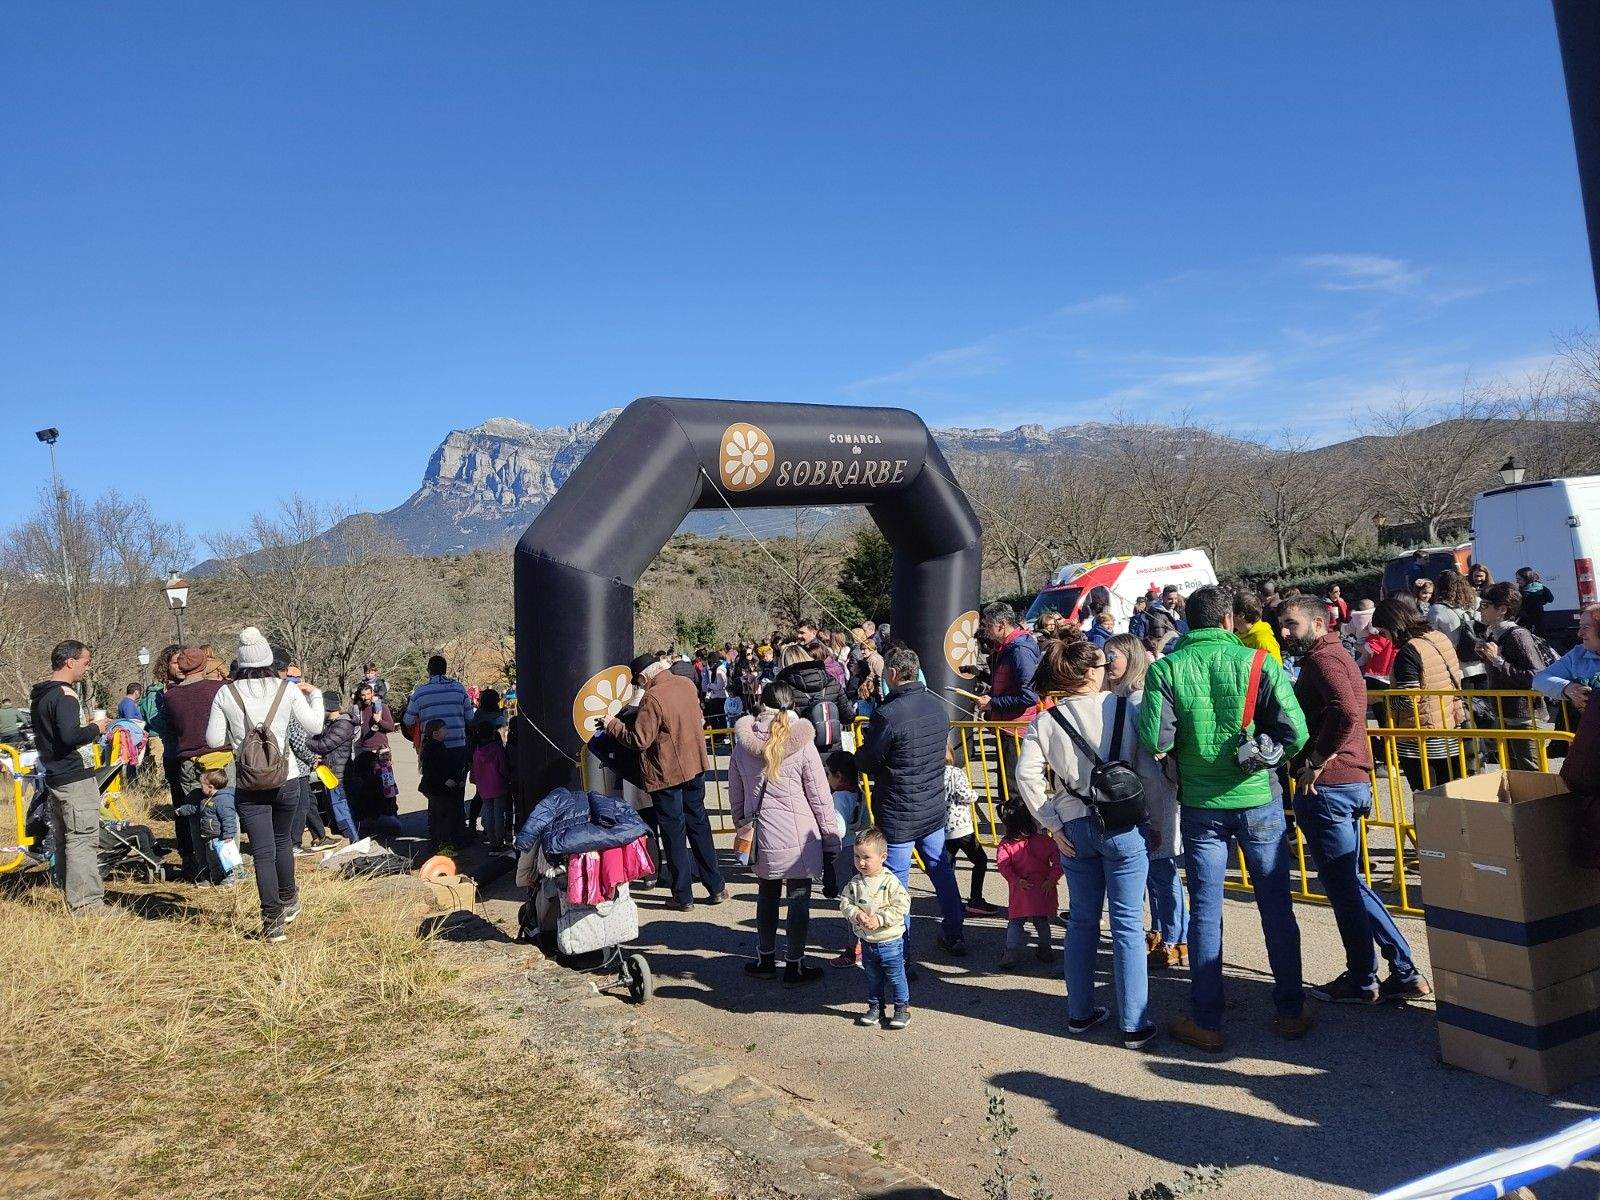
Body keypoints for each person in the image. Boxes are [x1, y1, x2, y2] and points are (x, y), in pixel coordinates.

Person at [1138, 585, 1311, 1052]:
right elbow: (1296, 731)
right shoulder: (1260, 663)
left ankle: (1207, 1019)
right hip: (1260, 800)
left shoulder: (1166, 669)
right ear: (1230, 619)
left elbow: (1156, 735)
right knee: (1275, 905)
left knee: (1206, 911)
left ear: (1187, 622)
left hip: (1201, 806)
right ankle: (1291, 1011)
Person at [1277, 595, 1430, 1005]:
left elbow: (1346, 711)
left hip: (1330, 787)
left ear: (1319, 623)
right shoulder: (1331, 656)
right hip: (1345, 784)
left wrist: (1315, 759)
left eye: (1292, 624)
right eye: (1282, 624)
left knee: (1345, 886)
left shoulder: (1326, 659)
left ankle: (1371, 976)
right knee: (1350, 882)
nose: (1284, 631)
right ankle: (1397, 970)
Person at [1015, 631, 1157, 1049]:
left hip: (1074, 826)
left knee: (1081, 920)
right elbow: (1146, 767)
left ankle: (1080, 1011)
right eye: (1102, 664)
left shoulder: (1045, 720)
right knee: (1128, 924)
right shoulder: (1124, 707)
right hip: (1123, 824)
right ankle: (1134, 1023)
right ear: (1090, 672)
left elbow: (1026, 775)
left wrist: (1052, 824)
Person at [206, 627, 324, 941]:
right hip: (286, 779)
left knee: (262, 852)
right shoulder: (286, 689)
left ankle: (272, 923)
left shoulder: (226, 693)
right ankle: (289, 899)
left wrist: (238, 739)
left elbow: (213, 739)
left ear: (241, 661)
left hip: (248, 783)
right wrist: (315, 695)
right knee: (283, 841)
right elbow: (315, 726)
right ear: (269, 658)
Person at [855, 645, 967, 960]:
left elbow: (871, 762)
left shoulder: (887, 715)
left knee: (897, 885)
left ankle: (901, 952)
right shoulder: (936, 706)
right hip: (931, 807)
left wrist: (861, 748)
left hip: (899, 813)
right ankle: (955, 930)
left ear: (891, 674)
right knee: (940, 868)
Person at [729, 681, 839, 985]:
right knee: (799, 898)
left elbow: (736, 796)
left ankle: (765, 958)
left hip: (761, 831)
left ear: (761, 705)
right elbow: (819, 796)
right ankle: (795, 963)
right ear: (793, 705)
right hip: (799, 835)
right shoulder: (802, 742)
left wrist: (742, 823)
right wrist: (830, 838)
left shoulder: (742, 745)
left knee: (766, 894)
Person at [605, 652, 727, 910]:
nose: (640, 687)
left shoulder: (652, 697)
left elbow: (639, 739)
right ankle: (716, 886)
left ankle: (683, 896)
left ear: (642, 677)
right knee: (699, 825)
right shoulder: (686, 684)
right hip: (695, 766)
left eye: (638, 682)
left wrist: (612, 724)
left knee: (674, 833)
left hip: (666, 773)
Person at [1103, 635, 1186, 971]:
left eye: (1114, 656)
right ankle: (1161, 929)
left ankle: (1177, 937)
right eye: (1107, 656)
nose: (1109, 663)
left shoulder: (1138, 699)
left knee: (1161, 866)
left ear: (1132, 659)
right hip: (1137, 795)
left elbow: (1154, 746)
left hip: (1153, 794)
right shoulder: (1120, 698)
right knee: (1150, 867)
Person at [31, 641, 110, 915]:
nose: (87, 668)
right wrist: (94, 728)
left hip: (55, 776)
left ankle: (73, 896)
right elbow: (69, 737)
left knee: (67, 838)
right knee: (83, 839)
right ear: (70, 662)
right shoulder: (65, 695)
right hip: (74, 776)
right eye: (86, 662)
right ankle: (87, 904)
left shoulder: (42, 695)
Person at [1373, 594, 1464, 792]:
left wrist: (1381, 699)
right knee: (1449, 795)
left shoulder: (1409, 651)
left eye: (1383, 631)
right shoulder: (1438, 637)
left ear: (1393, 625)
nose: (1383, 637)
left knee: (1426, 799)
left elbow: (1408, 699)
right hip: (1449, 728)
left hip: (1419, 739)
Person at [160, 645, 229, 881]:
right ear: (203, 665)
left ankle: (201, 869)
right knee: (225, 812)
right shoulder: (219, 689)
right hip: (220, 758)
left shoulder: (170, 696)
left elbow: (169, 728)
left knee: (195, 816)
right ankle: (228, 867)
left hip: (187, 761)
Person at [838, 827, 913, 1029]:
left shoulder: (890, 882)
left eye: (866, 857)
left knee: (896, 977)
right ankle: (875, 1007)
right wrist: (855, 913)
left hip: (890, 942)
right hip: (867, 942)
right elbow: (845, 902)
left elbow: (902, 905)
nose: (861, 862)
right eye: (856, 856)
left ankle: (901, 1009)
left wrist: (880, 919)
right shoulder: (855, 883)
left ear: (882, 857)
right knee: (872, 978)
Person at [1475, 583, 1550, 771]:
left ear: (1502, 609)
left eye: (1484, 605)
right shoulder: (1493, 632)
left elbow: (1536, 675)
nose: (1479, 610)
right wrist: (1486, 656)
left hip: (1524, 717)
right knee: (1511, 772)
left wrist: (1498, 661)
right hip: (1503, 713)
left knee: (1531, 773)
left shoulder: (1517, 635)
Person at [403, 656, 476, 847]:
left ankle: (437, 835)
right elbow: (470, 717)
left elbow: (408, 721)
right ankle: (458, 834)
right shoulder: (459, 688)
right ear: (445, 669)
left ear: (429, 670)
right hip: (458, 748)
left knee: (436, 793)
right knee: (457, 792)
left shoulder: (420, 693)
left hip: (432, 749)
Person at [974, 602, 1040, 799]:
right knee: (1006, 783)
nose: (986, 630)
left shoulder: (1020, 650)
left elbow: (1029, 695)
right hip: (1005, 725)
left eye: (988, 625)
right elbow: (1005, 683)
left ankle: (1020, 828)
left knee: (1013, 786)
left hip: (1016, 728)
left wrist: (993, 702)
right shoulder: (1007, 648)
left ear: (1002, 624)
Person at [994, 805, 1060, 971]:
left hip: (1021, 889)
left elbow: (1003, 865)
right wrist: (1052, 879)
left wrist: (1015, 880)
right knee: (1041, 922)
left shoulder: (1006, 845)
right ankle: (1045, 950)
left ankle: (1010, 953)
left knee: (1016, 923)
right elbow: (1059, 861)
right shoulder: (1045, 841)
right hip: (1043, 887)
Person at [943, 744, 998, 916]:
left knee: (948, 866)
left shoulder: (930, 774)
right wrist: (975, 795)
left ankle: (952, 901)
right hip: (961, 827)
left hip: (943, 828)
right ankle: (976, 899)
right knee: (980, 860)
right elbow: (964, 795)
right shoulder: (955, 772)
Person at [825, 749, 865, 967]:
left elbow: (838, 829)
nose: (827, 778)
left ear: (839, 776)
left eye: (829, 774)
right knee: (861, 897)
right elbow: (865, 821)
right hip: (857, 845)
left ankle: (854, 947)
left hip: (843, 850)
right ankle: (862, 943)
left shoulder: (838, 797)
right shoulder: (858, 792)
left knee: (849, 900)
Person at [305, 689, 360, 842]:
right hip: (330, 773)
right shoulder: (332, 724)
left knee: (342, 811)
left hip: (338, 776)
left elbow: (324, 745)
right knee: (335, 811)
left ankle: (354, 841)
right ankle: (348, 840)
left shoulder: (343, 724)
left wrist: (302, 741)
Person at [346, 680, 397, 834]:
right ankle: (371, 818)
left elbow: (391, 726)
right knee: (367, 786)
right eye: (363, 695)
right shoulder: (358, 710)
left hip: (381, 751)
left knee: (387, 786)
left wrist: (378, 720)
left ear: (373, 694)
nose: (366, 697)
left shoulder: (381, 708)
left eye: (368, 694)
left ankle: (391, 815)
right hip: (363, 751)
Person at [775, 642, 847, 751]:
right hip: (833, 749)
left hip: (803, 750)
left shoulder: (783, 689)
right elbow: (849, 716)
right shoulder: (832, 681)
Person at [1533, 604, 1600, 717]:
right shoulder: (1578, 654)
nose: (1579, 633)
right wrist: (1567, 688)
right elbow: (1539, 679)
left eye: (1586, 627)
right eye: (1580, 626)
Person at [468, 688, 513, 848]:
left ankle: (475, 825)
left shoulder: (477, 716)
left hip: (478, 754)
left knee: (481, 799)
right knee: (500, 806)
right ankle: (502, 835)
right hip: (496, 758)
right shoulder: (498, 718)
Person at [1234, 591, 1283, 666]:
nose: (1226, 617)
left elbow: (1276, 673)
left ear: (1241, 615)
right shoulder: (1236, 636)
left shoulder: (1263, 639)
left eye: (1229, 613)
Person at [1516, 568, 1554, 635]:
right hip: (1539, 621)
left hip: (1526, 623)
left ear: (1527, 579)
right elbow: (1550, 599)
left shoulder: (1521, 592)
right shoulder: (1541, 588)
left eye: (1519, 579)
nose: (1517, 581)